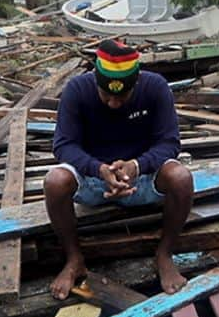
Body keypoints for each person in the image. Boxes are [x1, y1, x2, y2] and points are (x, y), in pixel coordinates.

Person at [44, 39, 193, 300]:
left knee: (181, 178)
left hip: (144, 177)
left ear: (136, 84)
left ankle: (164, 254)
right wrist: (98, 168)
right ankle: (74, 258)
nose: (113, 103)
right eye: (106, 96)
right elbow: (64, 145)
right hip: (93, 180)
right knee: (55, 181)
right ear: (95, 83)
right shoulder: (77, 90)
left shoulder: (155, 87)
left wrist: (137, 166)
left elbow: (169, 142)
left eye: (122, 97)